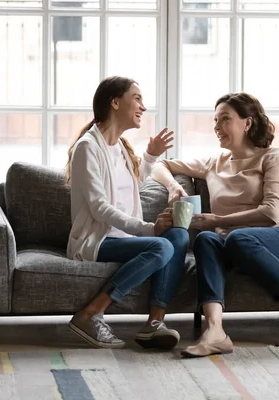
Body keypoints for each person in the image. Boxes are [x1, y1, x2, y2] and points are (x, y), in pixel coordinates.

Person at [151, 92, 279, 358]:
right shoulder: (215, 162)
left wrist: (218, 221)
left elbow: (272, 213)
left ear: (247, 123)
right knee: (205, 239)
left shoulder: (272, 158)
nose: (216, 126)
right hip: (234, 244)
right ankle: (214, 331)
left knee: (235, 237)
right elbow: (160, 164)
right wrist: (173, 187)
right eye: (215, 120)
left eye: (225, 118)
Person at [65, 76, 189, 350]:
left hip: (120, 236)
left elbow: (133, 187)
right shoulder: (88, 147)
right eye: (137, 98)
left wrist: (151, 156)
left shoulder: (119, 146)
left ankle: (155, 323)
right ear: (115, 102)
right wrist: (148, 229)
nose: (143, 107)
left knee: (179, 236)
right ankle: (91, 313)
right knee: (160, 247)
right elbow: (100, 208)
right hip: (97, 239)